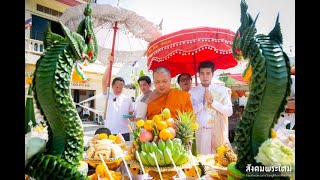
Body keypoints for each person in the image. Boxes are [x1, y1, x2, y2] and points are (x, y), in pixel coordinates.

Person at [189, 61, 233, 154]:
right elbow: (189, 112)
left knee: (219, 161)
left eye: (208, 73)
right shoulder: (192, 92)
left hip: (218, 132)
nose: (205, 76)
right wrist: (203, 103)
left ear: (212, 74)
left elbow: (229, 112)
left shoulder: (222, 90)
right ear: (199, 75)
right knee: (203, 163)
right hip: (200, 132)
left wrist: (213, 102)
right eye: (202, 73)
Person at [102, 76, 134, 141]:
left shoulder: (127, 99)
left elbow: (131, 114)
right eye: (117, 87)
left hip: (124, 132)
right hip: (110, 131)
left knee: (125, 150)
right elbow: (104, 81)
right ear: (112, 86)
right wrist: (109, 66)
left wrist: (131, 117)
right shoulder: (108, 96)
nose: (119, 89)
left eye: (121, 88)